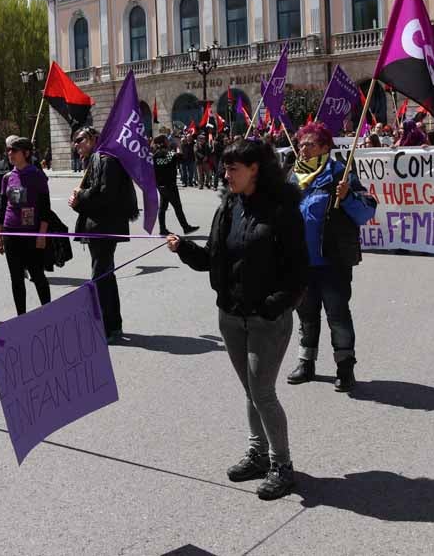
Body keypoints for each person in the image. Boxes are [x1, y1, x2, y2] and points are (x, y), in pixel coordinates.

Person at [166, 139, 307, 501]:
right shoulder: (228, 207)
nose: (225, 175)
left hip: (266, 320)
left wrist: (271, 307)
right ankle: (258, 454)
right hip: (230, 316)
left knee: (263, 391)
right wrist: (183, 247)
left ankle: (282, 466)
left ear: (255, 169)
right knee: (250, 389)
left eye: (233, 169)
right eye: (225, 168)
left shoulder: (282, 210)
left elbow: (298, 273)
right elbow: (211, 258)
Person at [285, 123, 378, 390]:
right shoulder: (293, 175)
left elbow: (366, 212)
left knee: (337, 315)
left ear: (325, 147)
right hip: (301, 261)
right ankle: (306, 362)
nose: (303, 149)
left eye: (310, 144)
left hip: (332, 261)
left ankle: (345, 367)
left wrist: (347, 196)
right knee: (306, 316)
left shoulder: (341, 172)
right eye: (301, 143)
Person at [68, 126, 138, 343]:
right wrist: (81, 201)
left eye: (79, 140)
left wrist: (80, 198)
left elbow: (106, 196)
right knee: (105, 276)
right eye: (74, 142)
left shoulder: (105, 160)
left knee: (100, 277)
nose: (76, 145)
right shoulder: (96, 160)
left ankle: (106, 327)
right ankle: (112, 325)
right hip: (98, 226)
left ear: (93, 139)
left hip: (104, 227)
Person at [0, 137, 52, 315]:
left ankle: (48, 312)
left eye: (14, 150)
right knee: (16, 278)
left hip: (32, 234)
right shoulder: (7, 178)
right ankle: (22, 317)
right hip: (11, 234)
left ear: (26, 153)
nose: (10, 153)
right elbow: (3, 209)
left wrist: (42, 234)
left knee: (37, 276)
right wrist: (0, 236)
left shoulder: (37, 175)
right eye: (8, 150)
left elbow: (45, 208)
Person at [152, 134, 199, 236]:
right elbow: (181, 157)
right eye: (167, 140)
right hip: (170, 185)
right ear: (164, 142)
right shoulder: (168, 154)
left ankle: (162, 229)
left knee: (162, 208)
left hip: (160, 185)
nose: (169, 142)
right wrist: (179, 146)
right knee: (177, 207)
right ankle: (186, 227)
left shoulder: (155, 155)